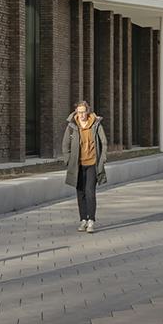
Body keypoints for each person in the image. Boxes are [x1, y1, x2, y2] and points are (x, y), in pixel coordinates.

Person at [62, 100, 108, 233]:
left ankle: (91, 220)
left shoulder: (96, 124)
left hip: (92, 163)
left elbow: (104, 142)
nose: (81, 115)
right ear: (76, 112)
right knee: (80, 192)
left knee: (90, 192)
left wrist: (103, 159)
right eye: (79, 112)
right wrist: (68, 161)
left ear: (88, 111)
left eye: (83, 112)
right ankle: (83, 220)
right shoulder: (72, 126)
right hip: (78, 165)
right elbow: (65, 144)